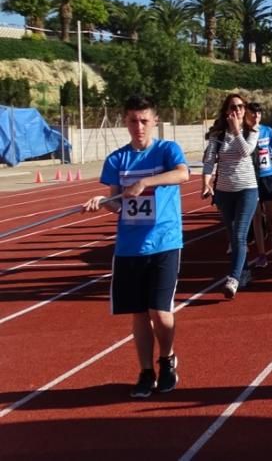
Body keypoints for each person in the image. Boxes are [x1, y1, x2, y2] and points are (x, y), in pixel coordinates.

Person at [82, 94, 189, 398]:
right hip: (129, 248)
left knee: (161, 311)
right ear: (125, 121)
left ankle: (167, 359)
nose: (138, 126)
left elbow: (183, 173)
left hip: (165, 241)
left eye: (144, 120)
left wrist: (147, 182)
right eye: (132, 120)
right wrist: (102, 203)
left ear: (155, 120)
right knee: (139, 313)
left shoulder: (167, 150)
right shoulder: (117, 159)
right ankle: (146, 371)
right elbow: (117, 203)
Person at [202, 93, 260, 299]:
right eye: (233, 107)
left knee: (239, 234)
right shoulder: (217, 135)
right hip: (225, 192)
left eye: (241, 106)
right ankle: (244, 272)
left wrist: (236, 131)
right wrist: (206, 182)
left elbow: (245, 152)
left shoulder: (252, 131)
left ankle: (233, 279)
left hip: (247, 189)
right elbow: (209, 161)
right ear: (226, 110)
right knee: (233, 236)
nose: (237, 110)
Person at [245, 102, 272, 266]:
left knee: (271, 215)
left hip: (267, 176)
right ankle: (261, 253)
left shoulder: (267, 130)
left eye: (258, 114)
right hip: (251, 178)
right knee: (256, 216)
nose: (256, 117)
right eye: (253, 114)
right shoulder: (244, 133)